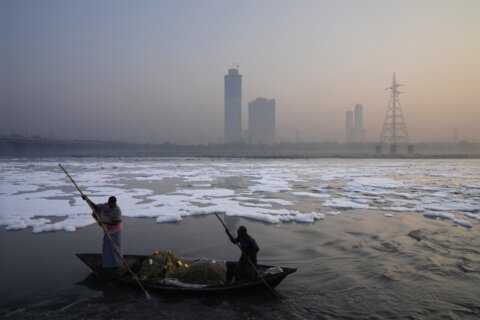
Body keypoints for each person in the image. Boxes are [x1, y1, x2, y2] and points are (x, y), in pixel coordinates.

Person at [82, 195, 123, 270]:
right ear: (108, 202)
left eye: (112, 204)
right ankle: (109, 264)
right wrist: (87, 199)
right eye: (109, 204)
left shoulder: (117, 211)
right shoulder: (106, 206)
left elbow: (115, 222)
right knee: (107, 247)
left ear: (115, 203)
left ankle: (117, 264)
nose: (110, 206)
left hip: (116, 231)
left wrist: (103, 222)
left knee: (115, 248)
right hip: (108, 230)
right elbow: (96, 207)